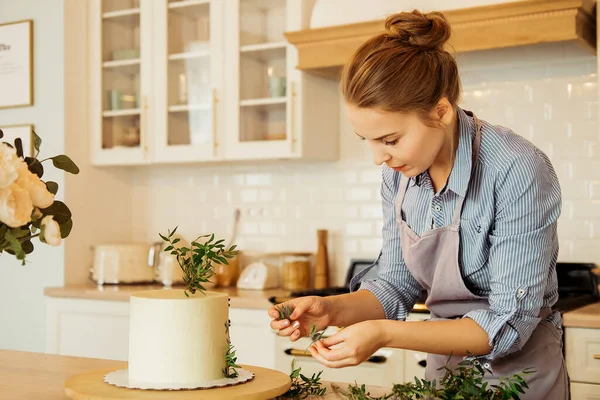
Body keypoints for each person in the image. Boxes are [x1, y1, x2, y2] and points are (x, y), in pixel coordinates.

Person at [268, 8, 569, 399]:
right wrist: (332, 311)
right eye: (368, 141)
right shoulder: (400, 174)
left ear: (440, 111)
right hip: (445, 373)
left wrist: (384, 334)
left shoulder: (517, 169)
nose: (379, 158)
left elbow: (506, 324)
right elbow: (395, 283)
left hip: (521, 380)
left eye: (390, 140)